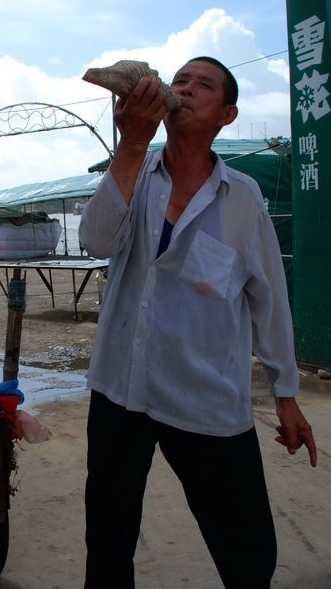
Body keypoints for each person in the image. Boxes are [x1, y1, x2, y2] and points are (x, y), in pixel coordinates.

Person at [79, 56, 317, 589]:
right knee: (108, 546)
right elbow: (95, 242)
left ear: (226, 115)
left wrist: (286, 393)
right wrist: (131, 143)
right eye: (179, 80)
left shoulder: (243, 199)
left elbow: (268, 299)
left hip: (205, 396)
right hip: (121, 390)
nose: (184, 89)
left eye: (202, 85)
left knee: (249, 551)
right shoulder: (134, 173)